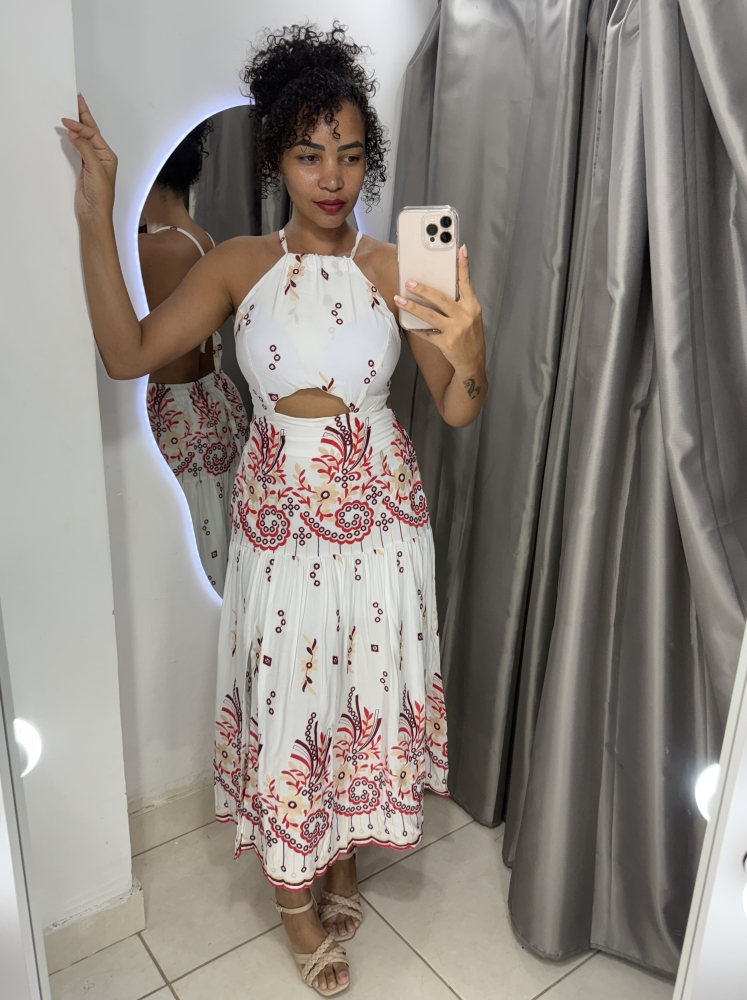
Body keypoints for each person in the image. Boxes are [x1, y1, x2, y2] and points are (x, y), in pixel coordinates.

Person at [62, 23, 487, 996]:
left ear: (369, 158)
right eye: (308, 154)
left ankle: (340, 860)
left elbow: (460, 407)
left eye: (350, 154)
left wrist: (469, 342)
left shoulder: (405, 265)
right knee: (293, 698)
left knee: (359, 689)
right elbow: (128, 353)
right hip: (281, 525)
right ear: (276, 159)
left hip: (382, 519)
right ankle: (296, 899)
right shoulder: (238, 263)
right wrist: (97, 210)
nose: (331, 177)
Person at [139, 120, 249, 595]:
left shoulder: (153, 248)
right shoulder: (201, 238)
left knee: (182, 550)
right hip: (213, 402)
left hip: (175, 415)